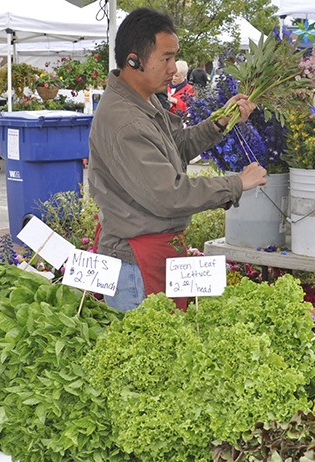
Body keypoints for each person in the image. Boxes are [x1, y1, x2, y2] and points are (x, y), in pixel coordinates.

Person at [88, 7, 267, 313]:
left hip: (151, 252)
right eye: (166, 58)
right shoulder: (125, 121)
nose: (173, 69)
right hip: (135, 264)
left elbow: (176, 147)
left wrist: (220, 122)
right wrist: (236, 183)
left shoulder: (142, 101)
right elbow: (169, 195)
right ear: (134, 60)